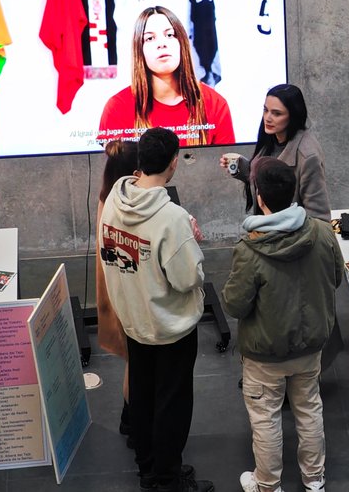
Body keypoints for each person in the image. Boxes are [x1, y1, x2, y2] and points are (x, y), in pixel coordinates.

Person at [99, 127, 213, 492]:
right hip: (169, 327)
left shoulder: (114, 200)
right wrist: (190, 243)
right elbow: (187, 278)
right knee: (171, 405)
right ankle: (168, 479)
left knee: (143, 396)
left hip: (133, 318)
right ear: (173, 163)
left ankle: (148, 469)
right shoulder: (172, 218)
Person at [222, 160, 343, 492]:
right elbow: (336, 278)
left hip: (265, 354)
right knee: (309, 409)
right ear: (293, 193)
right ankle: (314, 480)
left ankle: (268, 485)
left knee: (266, 418)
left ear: (260, 197)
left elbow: (234, 305)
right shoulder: (322, 232)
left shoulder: (249, 248)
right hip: (311, 346)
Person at [99, 6, 235, 147]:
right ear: (139, 50)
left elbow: (224, 159)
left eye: (169, 35)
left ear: (182, 42)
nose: (162, 44)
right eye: (150, 38)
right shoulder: (117, 108)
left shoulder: (215, 104)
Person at [219, 84, 330, 221]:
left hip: (287, 233)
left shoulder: (308, 156)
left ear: (293, 115)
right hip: (266, 228)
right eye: (265, 110)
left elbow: (319, 218)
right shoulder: (271, 137)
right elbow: (270, 183)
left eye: (277, 113)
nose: (268, 118)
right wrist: (242, 167)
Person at [95, 140, 139, 448]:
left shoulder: (107, 197)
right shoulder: (124, 207)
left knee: (133, 363)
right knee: (137, 365)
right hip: (125, 293)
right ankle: (134, 423)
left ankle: (130, 418)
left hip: (113, 287)